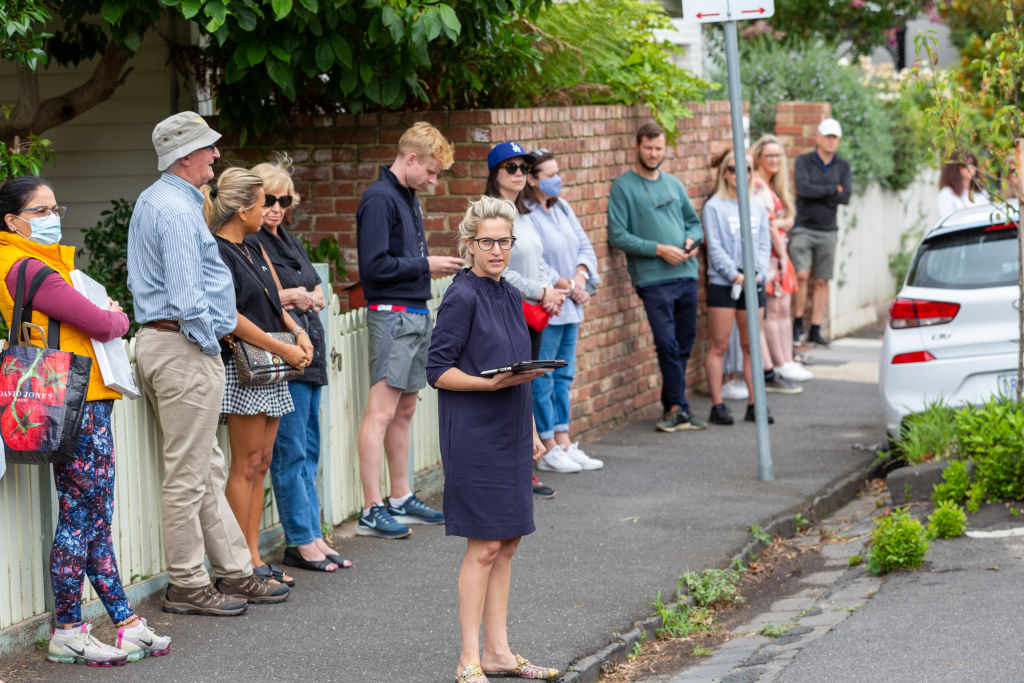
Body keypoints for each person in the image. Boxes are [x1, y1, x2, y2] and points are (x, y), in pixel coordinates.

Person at [0, 176, 171, 665]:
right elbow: (101, 323)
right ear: (12, 221)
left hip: (80, 399)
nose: (53, 217)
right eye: (40, 210)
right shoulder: (26, 267)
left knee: (94, 517)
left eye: (55, 207)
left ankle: (125, 623)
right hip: (76, 402)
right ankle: (68, 628)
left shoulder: (33, 263)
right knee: (81, 516)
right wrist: (115, 314)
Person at [128, 111, 289, 616]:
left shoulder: (170, 201)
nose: (216, 156)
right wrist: (210, 340)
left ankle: (235, 571)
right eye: (208, 148)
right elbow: (185, 297)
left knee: (206, 465)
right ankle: (187, 583)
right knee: (187, 473)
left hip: (177, 344)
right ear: (185, 156)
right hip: (182, 345)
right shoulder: (176, 210)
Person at [426, 195, 559, 683]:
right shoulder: (461, 295)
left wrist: (531, 429)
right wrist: (486, 384)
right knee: (482, 547)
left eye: (504, 241)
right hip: (474, 433)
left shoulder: (507, 292)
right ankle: (468, 658)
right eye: (487, 242)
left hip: (510, 428)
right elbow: (437, 370)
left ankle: (499, 652)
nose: (497, 250)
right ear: (468, 244)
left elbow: (518, 370)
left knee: (507, 543)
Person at [204, 167, 313, 590]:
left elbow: (272, 300)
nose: (271, 209)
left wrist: (298, 332)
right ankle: (238, 563)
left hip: (271, 362)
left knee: (262, 463)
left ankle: (252, 555)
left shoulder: (253, 247)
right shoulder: (218, 251)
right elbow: (229, 316)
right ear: (244, 208)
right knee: (245, 464)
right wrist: (281, 346)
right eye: (265, 201)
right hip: (247, 365)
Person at [355, 121, 463, 538]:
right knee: (381, 411)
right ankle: (371, 506)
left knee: (405, 408)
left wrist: (426, 267)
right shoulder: (380, 198)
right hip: (391, 312)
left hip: (414, 311)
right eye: (432, 173)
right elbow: (374, 267)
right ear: (411, 158)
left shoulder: (407, 196)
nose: (434, 182)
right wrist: (427, 265)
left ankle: (400, 497)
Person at [252, 155, 352, 572]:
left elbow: (318, 293)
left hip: (310, 353)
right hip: (286, 353)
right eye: (269, 199)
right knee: (290, 451)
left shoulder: (287, 239)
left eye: (284, 200)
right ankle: (300, 540)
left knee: (310, 448)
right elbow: (275, 296)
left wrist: (299, 293)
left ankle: (312, 534)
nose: (276, 207)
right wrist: (299, 294)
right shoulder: (253, 242)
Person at [607, 121, 707, 433]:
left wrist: (691, 243)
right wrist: (660, 249)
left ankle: (674, 407)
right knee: (666, 343)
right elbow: (618, 236)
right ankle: (679, 408)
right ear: (637, 147)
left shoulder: (674, 184)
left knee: (684, 343)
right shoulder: (623, 186)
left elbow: (694, 223)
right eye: (648, 147)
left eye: (658, 148)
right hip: (652, 278)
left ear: (665, 149)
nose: (653, 153)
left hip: (686, 273)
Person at [484, 141, 565, 499]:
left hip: (531, 314)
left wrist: (547, 290)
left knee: (525, 388)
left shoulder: (527, 213)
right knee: (508, 390)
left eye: (524, 168)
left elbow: (541, 260)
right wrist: (540, 291)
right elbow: (496, 269)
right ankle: (508, 472)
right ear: (495, 174)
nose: (520, 175)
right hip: (504, 314)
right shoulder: (489, 215)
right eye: (511, 168)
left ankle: (523, 469)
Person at [523, 149, 604, 473]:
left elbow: (585, 245)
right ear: (532, 178)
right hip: (550, 305)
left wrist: (580, 276)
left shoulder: (563, 207)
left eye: (558, 173)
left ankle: (565, 439)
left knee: (564, 377)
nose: (556, 180)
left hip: (572, 305)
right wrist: (569, 286)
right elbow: (537, 262)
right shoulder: (526, 213)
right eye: (549, 174)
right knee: (544, 376)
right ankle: (548, 444)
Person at [702, 150, 773, 426]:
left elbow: (764, 244)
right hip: (724, 284)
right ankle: (717, 405)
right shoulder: (714, 207)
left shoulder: (756, 207)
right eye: (732, 169)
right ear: (724, 173)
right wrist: (733, 274)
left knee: (751, 344)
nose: (738, 174)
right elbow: (714, 247)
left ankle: (756, 404)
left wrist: (760, 273)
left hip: (753, 283)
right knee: (719, 344)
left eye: (744, 169)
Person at [751, 135, 812, 383]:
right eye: (770, 155)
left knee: (784, 310)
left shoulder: (774, 185)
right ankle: (778, 364)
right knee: (774, 312)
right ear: (758, 158)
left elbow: (788, 220)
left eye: (778, 155)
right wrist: (784, 258)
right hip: (771, 257)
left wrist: (782, 224)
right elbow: (769, 226)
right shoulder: (757, 185)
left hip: (779, 255)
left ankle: (787, 359)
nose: (775, 160)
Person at [790, 117, 852, 348]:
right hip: (804, 227)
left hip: (828, 230)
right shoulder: (804, 161)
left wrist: (825, 192)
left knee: (822, 281)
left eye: (834, 137)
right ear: (817, 137)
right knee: (801, 275)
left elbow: (845, 196)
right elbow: (803, 190)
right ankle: (797, 323)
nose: (830, 141)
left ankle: (815, 328)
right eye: (827, 136)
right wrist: (831, 190)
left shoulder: (843, 166)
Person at [936, 151, 988, 220]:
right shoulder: (947, 193)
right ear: (954, 168)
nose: (970, 167)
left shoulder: (982, 192)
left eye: (973, 163)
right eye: (965, 164)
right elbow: (946, 220)